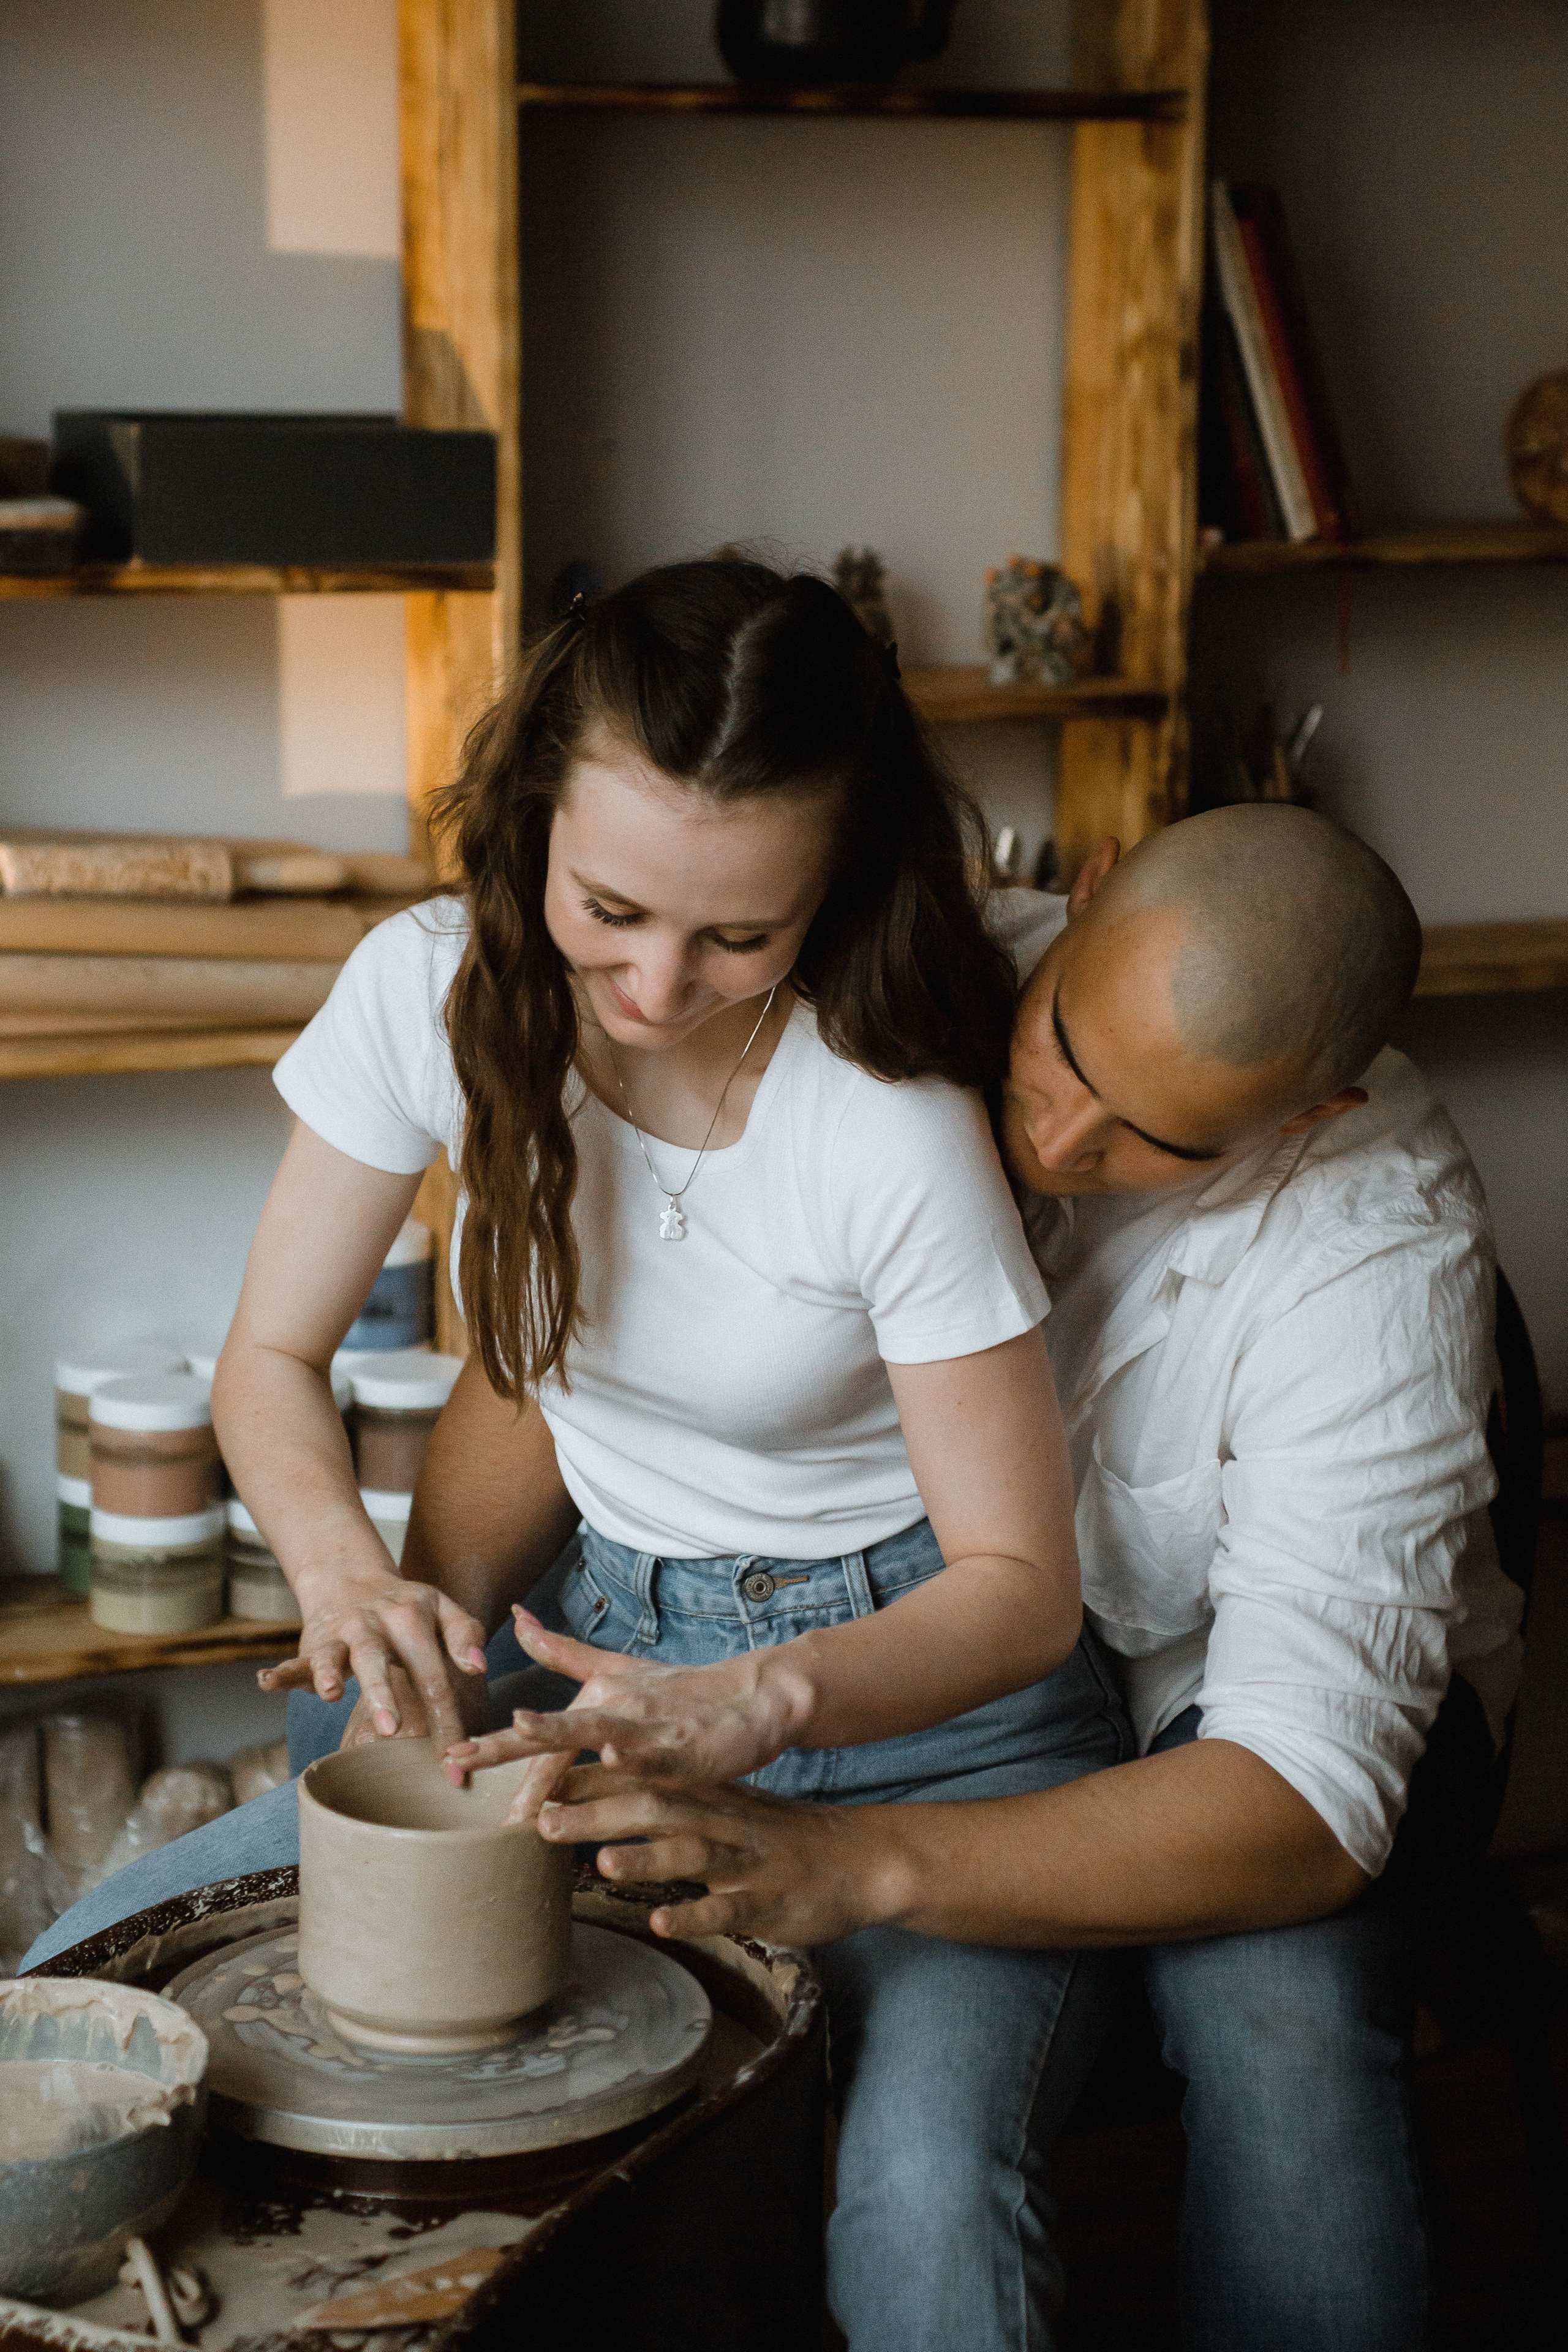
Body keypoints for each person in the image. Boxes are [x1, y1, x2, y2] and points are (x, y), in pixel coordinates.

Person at [27, 558, 1118, 2352]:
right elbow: (270, 1360)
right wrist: (347, 1575)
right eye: (609, 908)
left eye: (739, 936)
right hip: (601, 1660)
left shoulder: (885, 1121)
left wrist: (763, 1699)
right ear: (536, 812)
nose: (657, 984)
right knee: (69, 2015)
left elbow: (1021, 1590)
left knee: (921, 2201)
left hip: (928, 1720)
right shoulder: (424, 986)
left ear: (833, 883)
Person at [495, 804, 1521, 2352]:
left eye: (1158, 1138)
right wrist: (418, 1597)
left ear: (1317, 1108)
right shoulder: (930, 969)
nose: (1054, 1141)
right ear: (1080, 895)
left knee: (1275, 2012)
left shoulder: (1379, 1251)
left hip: (1239, 1699)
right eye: (1062, 1050)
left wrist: (858, 1861)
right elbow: (613, 1332)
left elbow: (1305, 1799)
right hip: (938, 1635)